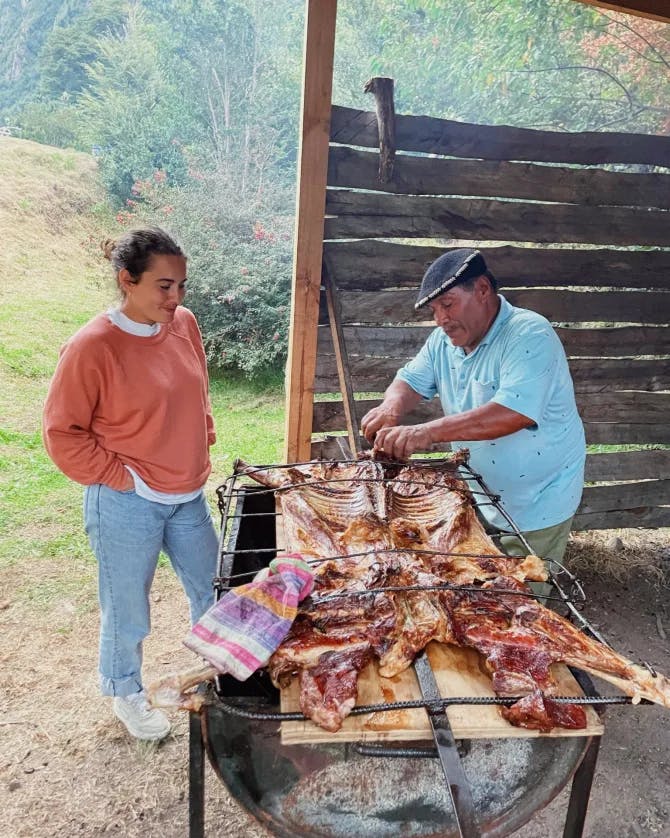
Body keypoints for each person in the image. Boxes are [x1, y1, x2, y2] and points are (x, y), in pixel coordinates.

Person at [43, 227, 219, 742]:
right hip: (126, 501)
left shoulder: (184, 324)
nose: (176, 298)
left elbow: (197, 387)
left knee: (213, 588)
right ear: (127, 280)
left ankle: (215, 674)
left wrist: (201, 440)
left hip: (187, 495)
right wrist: (123, 478)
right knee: (128, 607)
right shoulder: (92, 346)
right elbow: (62, 434)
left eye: (182, 286)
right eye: (164, 286)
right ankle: (125, 693)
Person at [361, 248, 586, 569]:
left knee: (525, 600)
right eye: (434, 310)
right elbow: (409, 380)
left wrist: (425, 432)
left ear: (482, 289)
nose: (441, 319)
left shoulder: (529, 334)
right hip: (480, 490)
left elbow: (513, 412)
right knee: (479, 584)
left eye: (448, 305)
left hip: (538, 498)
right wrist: (391, 406)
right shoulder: (442, 342)